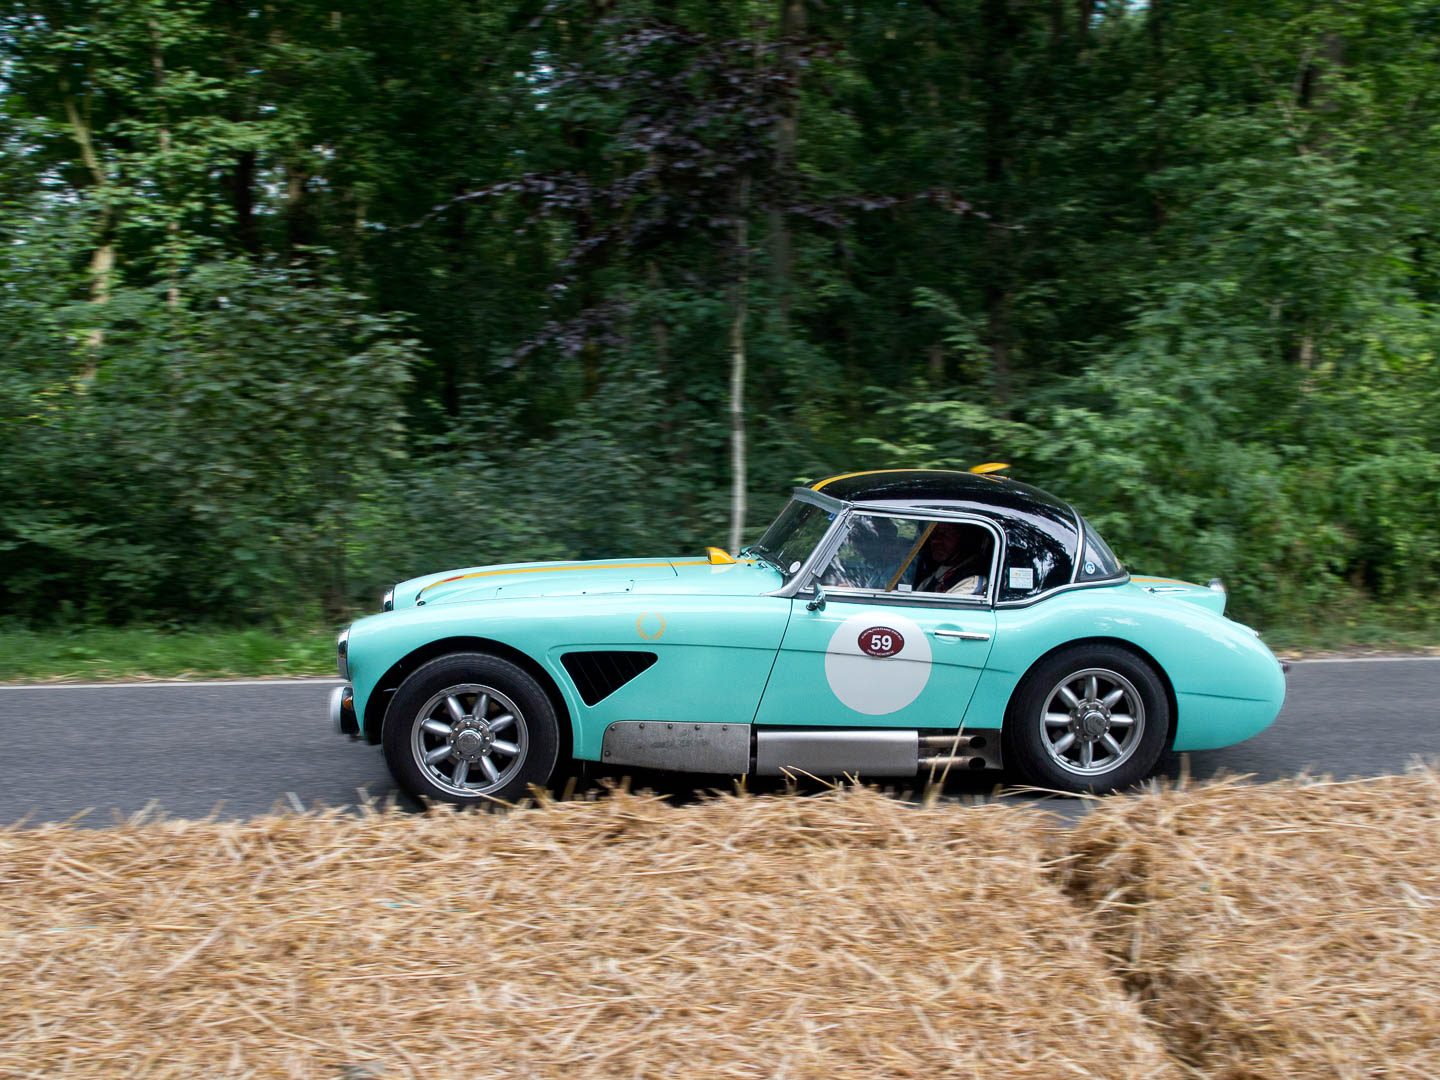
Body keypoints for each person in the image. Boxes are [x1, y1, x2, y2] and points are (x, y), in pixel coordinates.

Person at [911, 524, 989, 595]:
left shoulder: (970, 583)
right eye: (933, 533)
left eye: (946, 532)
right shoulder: (942, 572)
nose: (935, 540)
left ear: (965, 538)